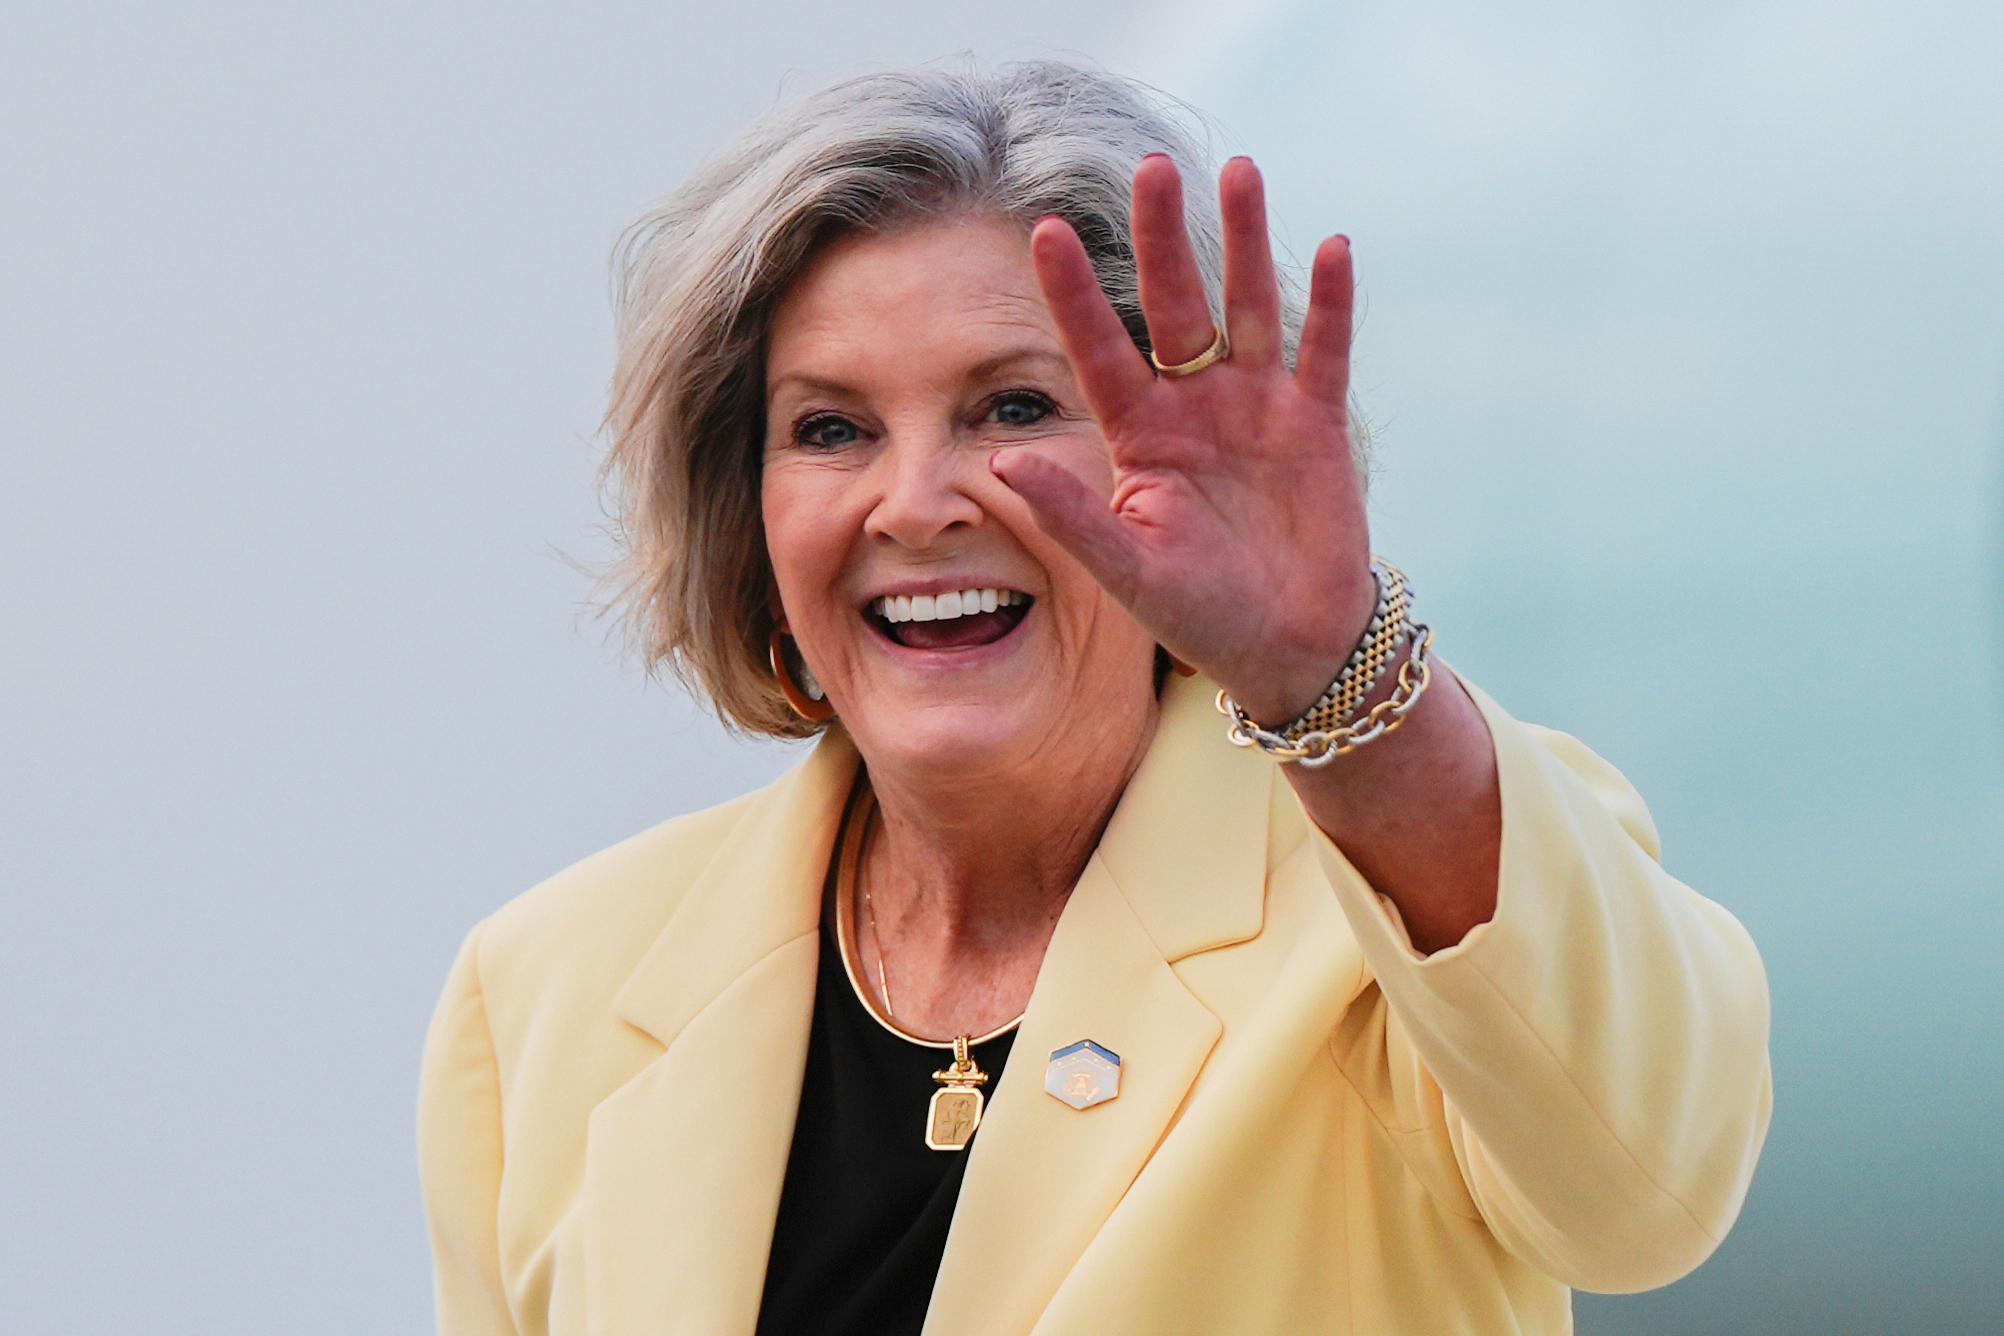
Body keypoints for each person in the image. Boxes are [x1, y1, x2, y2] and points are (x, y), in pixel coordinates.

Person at [417, 61, 1771, 1336]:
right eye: (831, 429)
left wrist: (1332, 665)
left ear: (1175, 474)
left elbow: (1648, 1198)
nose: (919, 502)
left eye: (1012, 408)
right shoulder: (542, 993)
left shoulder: (1409, 902)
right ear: (745, 517)